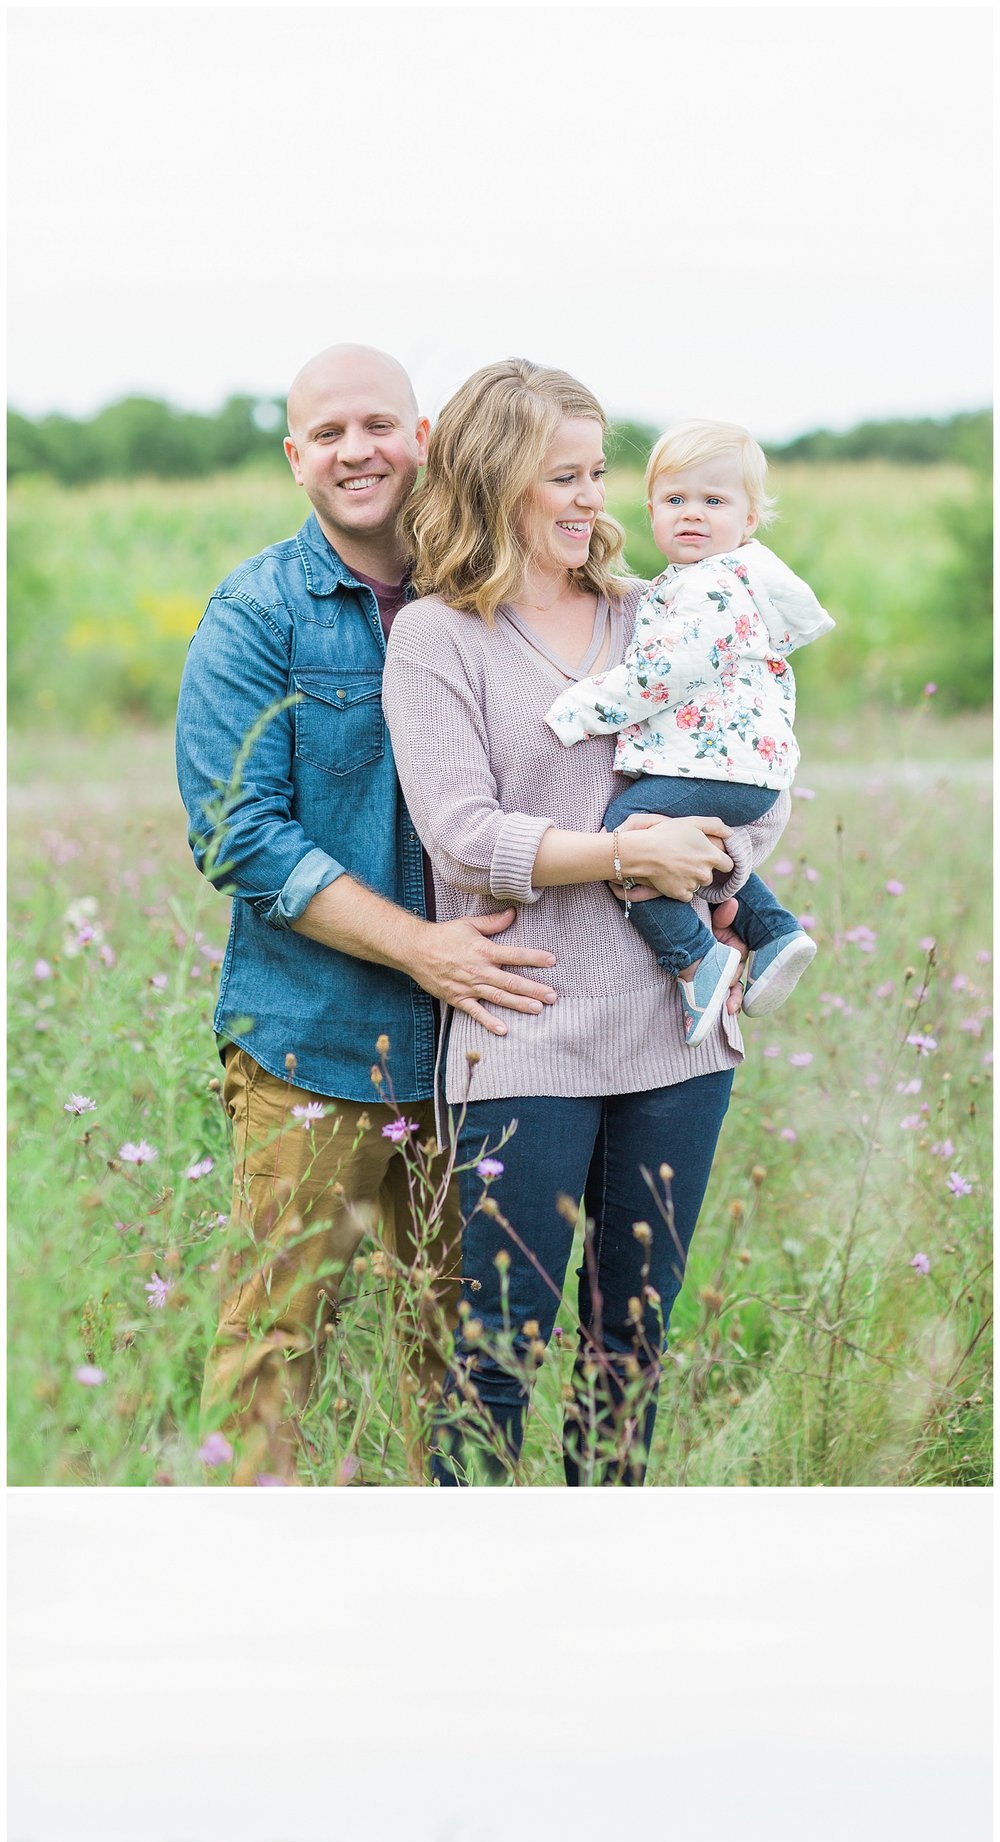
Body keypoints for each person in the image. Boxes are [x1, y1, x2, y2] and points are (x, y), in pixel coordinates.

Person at [381, 358, 792, 1487]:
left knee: (631, 1350)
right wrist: (625, 853)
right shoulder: (435, 637)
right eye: (560, 475)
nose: (590, 500)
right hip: (525, 1030)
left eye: (597, 473)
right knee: (500, 1351)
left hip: (676, 1031)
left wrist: (723, 863)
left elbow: (755, 761)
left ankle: (602, 1590)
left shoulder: (653, 611)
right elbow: (463, 834)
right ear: (489, 480)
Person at [176, 343, 557, 1485]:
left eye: (378, 426)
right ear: (296, 458)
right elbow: (238, 834)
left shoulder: (493, 594)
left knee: (468, 1362)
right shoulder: (257, 614)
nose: (357, 451)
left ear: (425, 436)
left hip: (483, 1054)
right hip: (313, 1043)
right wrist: (420, 949)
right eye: (329, 434)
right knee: (270, 1349)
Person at [546, 419, 834, 1045]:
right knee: (693, 842)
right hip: (740, 770)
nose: (692, 515)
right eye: (676, 500)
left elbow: (664, 673)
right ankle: (774, 931)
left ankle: (696, 961)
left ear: (750, 519)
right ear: (650, 511)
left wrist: (582, 709)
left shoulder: (713, 588)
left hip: (716, 766)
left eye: (714, 501)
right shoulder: (699, 584)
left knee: (628, 832)